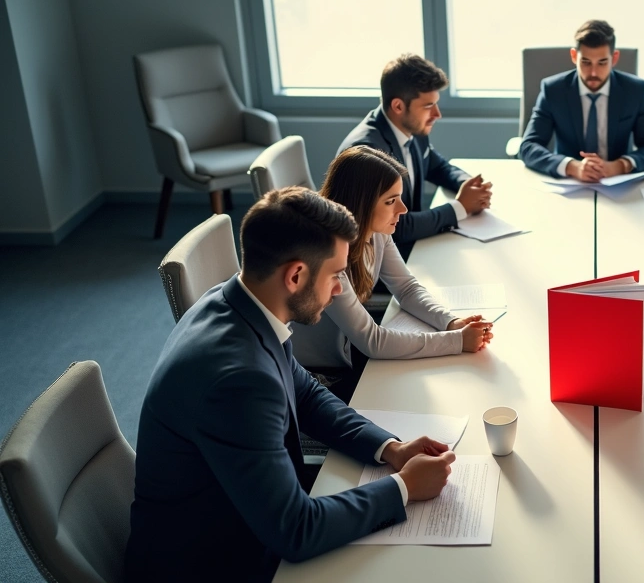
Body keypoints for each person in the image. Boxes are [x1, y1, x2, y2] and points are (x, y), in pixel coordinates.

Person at [126, 187, 457, 581]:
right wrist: (404, 488)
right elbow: (296, 530)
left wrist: (391, 448)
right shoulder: (239, 380)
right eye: (335, 275)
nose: (340, 289)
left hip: (236, 517)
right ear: (296, 275)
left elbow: (307, 394)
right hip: (210, 563)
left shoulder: (239, 302)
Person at [291, 146, 495, 402]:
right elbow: (372, 342)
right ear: (361, 204)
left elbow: (406, 288)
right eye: (390, 201)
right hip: (322, 374)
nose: (403, 209)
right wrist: (456, 341)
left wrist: (451, 322)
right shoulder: (327, 256)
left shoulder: (377, 232)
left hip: (351, 350)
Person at [338, 53, 493, 261]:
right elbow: (396, 227)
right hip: (378, 262)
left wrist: (469, 185)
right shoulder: (368, 152)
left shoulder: (411, 129)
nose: (437, 114)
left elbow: (437, 166)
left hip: (411, 247)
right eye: (428, 106)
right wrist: (460, 207)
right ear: (398, 106)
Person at [519, 20, 644, 180]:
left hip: (617, 183)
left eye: (602, 63)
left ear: (614, 58)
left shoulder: (635, 90)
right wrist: (572, 167)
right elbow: (528, 147)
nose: (593, 72)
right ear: (574, 56)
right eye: (586, 62)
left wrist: (620, 165)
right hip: (569, 182)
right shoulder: (553, 90)